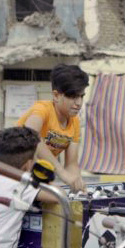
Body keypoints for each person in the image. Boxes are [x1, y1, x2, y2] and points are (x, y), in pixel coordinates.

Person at [16, 64, 89, 193]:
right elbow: (30, 135)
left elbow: (71, 164)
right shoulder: (42, 109)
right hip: (12, 175)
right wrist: (61, 172)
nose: (78, 103)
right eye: (73, 97)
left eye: (81, 96)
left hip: (37, 179)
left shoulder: (75, 122)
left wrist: (76, 183)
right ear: (56, 96)